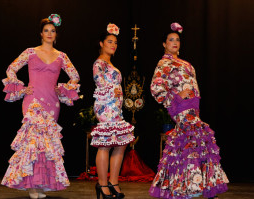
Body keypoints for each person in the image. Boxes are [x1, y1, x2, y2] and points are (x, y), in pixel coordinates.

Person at [1, 14, 80, 199]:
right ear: (41, 33)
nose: (49, 34)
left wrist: (62, 89)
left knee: (46, 145)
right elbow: (11, 68)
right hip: (33, 100)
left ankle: (42, 184)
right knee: (32, 142)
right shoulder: (30, 52)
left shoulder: (61, 56)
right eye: (46, 31)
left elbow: (75, 76)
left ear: (56, 34)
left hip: (52, 103)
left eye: (53, 31)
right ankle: (31, 186)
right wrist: (21, 87)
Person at [149, 22, 229, 199]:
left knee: (197, 142)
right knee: (190, 143)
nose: (175, 43)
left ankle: (200, 186)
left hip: (193, 109)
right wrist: (176, 96)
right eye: (171, 40)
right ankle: (189, 188)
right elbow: (155, 88)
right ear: (164, 44)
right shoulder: (164, 64)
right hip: (181, 109)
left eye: (177, 39)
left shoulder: (185, 63)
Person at [91, 23, 135, 199]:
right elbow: (98, 81)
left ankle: (113, 182)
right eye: (109, 41)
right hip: (104, 105)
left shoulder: (110, 63)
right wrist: (112, 89)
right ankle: (102, 184)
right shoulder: (99, 63)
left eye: (115, 42)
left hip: (115, 107)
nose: (113, 45)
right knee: (106, 143)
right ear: (101, 43)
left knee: (121, 142)